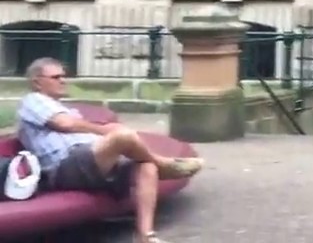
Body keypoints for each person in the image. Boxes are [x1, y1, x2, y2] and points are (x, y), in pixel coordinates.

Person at [17, 57, 204, 243]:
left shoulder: (65, 109)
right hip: (64, 166)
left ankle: (145, 236)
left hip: (91, 161)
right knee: (123, 136)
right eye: (56, 77)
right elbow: (64, 124)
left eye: (64, 76)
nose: (63, 81)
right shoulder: (33, 100)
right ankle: (163, 163)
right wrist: (104, 130)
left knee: (146, 167)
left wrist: (106, 132)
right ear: (37, 82)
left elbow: (79, 127)